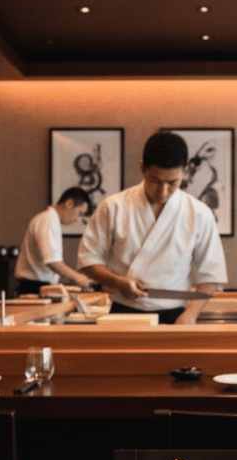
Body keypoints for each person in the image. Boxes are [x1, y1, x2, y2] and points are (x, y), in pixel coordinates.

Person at [77, 132, 227, 325]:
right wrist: (118, 282)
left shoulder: (199, 214)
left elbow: (211, 275)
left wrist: (191, 315)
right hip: (121, 313)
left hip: (175, 315)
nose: (163, 191)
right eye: (155, 181)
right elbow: (88, 260)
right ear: (142, 168)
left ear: (185, 172)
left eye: (173, 182)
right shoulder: (113, 207)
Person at [14, 187, 96, 296]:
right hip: (34, 286)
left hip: (39, 285)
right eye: (79, 213)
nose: (77, 219)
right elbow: (52, 261)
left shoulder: (50, 219)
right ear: (69, 203)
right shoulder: (48, 220)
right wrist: (77, 277)